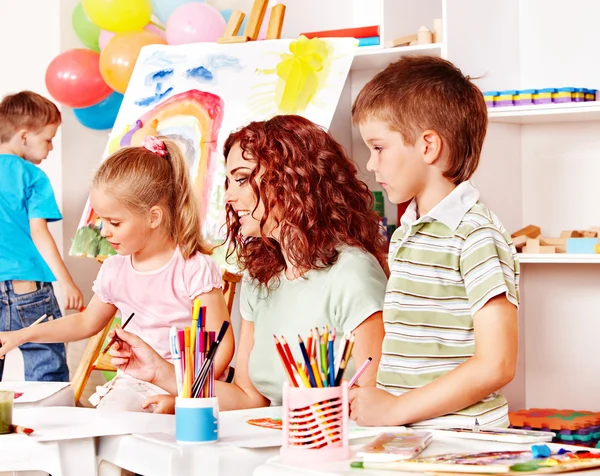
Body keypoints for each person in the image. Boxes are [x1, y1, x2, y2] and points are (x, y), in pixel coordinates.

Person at [105, 115, 389, 413]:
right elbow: (248, 397)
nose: (228, 196)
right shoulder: (260, 277)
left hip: (329, 441)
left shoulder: (352, 271)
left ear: (293, 179)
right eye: (228, 182)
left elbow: (375, 397)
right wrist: (161, 374)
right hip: (271, 437)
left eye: (241, 178)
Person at [0, 136, 234, 411]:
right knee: (106, 426)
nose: (104, 230)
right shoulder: (115, 269)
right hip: (135, 383)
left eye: (114, 222)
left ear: (153, 217)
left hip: (188, 386)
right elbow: (85, 323)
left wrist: (188, 394)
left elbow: (221, 345)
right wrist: (22, 335)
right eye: (100, 220)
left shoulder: (193, 268)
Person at [348, 55, 520, 428]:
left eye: (378, 148)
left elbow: (498, 363)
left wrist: (394, 409)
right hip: (413, 435)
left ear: (428, 146)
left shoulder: (475, 235)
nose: (371, 164)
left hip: (461, 440)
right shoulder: (407, 232)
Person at [0, 91, 83, 382]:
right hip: (28, 289)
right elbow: (39, 232)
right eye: (48, 139)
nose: (50, 148)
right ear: (24, 136)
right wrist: (67, 282)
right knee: (46, 365)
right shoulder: (33, 176)